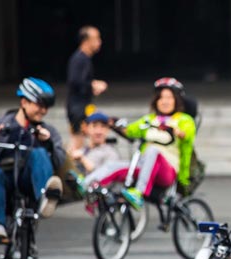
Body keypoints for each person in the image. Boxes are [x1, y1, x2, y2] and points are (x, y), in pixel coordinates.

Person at [82, 77, 197, 209]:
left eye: (169, 98)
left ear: (176, 100)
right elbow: (130, 131)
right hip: (144, 165)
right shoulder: (149, 119)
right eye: (161, 98)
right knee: (113, 165)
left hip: (168, 171)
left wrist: (178, 132)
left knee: (153, 150)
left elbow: (187, 134)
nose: (164, 101)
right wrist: (113, 123)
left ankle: (139, 192)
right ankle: (85, 185)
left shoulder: (184, 120)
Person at [0, 78, 65, 243]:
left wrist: (48, 143)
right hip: (5, 180)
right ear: (24, 102)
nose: (43, 111)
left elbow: (59, 161)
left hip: (29, 180)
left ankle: (45, 198)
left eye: (46, 107)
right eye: (39, 105)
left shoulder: (48, 131)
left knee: (39, 153)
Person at [66, 25, 107, 151]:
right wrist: (93, 85)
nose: (99, 42)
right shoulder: (79, 59)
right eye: (96, 39)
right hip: (77, 107)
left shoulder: (85, 58)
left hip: (82, 105)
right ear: (86, 41)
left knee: (80, 140)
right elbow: (74, 81)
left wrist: (91, 86)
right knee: (77, 142)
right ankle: (66, 163)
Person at [71, 111, 120, 176]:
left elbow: (106, 177)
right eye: (94, 126)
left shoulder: (111, 153)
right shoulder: (82, 151)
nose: (98, 131)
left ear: (107, 130)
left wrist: (83, 159)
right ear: (87, 128)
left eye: (103, 126)